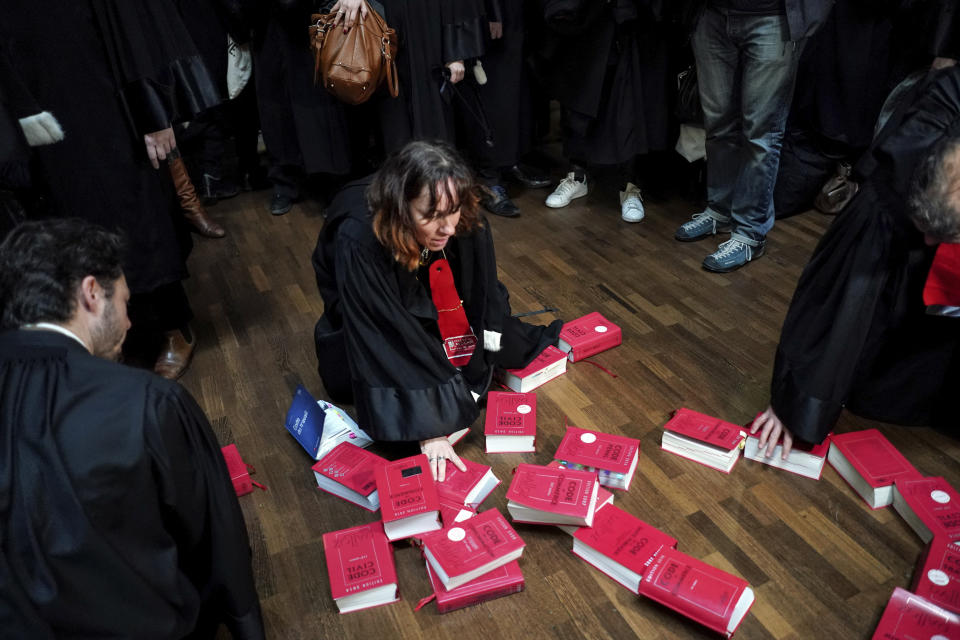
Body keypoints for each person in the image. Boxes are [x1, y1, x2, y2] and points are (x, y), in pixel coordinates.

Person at [0, 219, 264, 639]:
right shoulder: (148, 402)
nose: (128, 323)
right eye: (125, 303)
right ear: (91, 294)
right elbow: (214, 544)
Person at [0, 0, 223, 379]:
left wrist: (154, 112)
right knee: (70, 223)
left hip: (104, 102)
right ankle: (105, 334)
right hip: (37, 106)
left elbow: (133, 21)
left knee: (134, 212)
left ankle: (174, 325)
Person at [312, 141, 561, 479]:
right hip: (367, 306)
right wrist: (430, 426)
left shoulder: (457, 213)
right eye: (431, 216)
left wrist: (485, 350)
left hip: (420, 281)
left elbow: (481, 291)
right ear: (402, 209)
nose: (447, 227)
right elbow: (385, 331)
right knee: (365, 376)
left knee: (499, 346)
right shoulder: (360, 237)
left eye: (452, 211)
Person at [750, 67, 960, 459]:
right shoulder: (937, 109)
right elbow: (831, 313)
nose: (933, 243)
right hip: (892, 206)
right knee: (852, 298)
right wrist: (793, 406)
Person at [672, 0, 833, 271]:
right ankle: (720, 210)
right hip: (711, 15)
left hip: (773, 18)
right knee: (718, 123)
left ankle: (750, 233)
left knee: (762, 133)